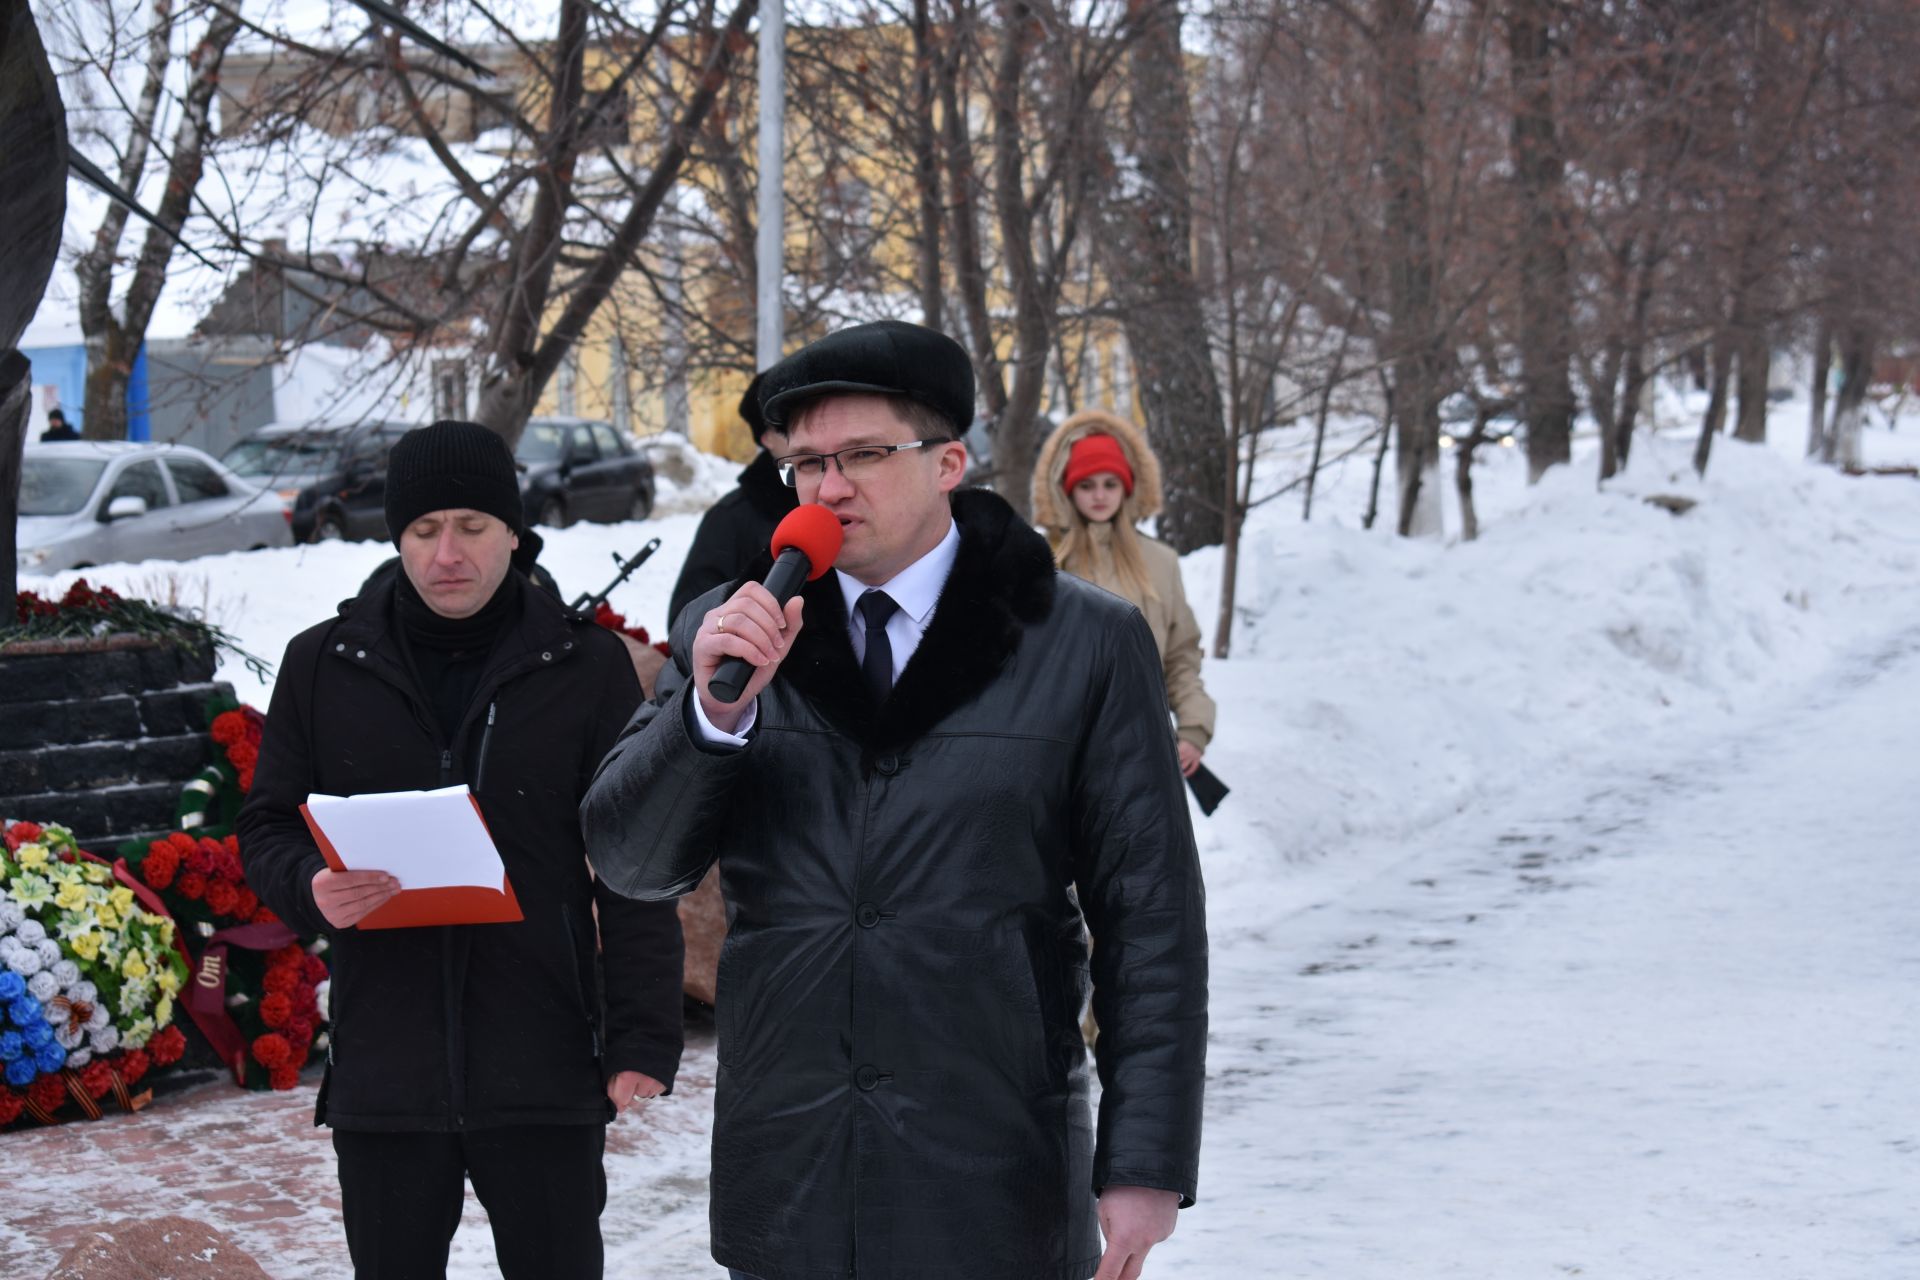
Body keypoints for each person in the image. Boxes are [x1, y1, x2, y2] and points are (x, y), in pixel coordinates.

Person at [581, 320, 1208, 1280]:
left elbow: (1151, 920)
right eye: (805, 464)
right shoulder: (736, 633)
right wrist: (707, 722)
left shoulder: (1085, 644)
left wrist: (1144, 1163)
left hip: (994, 1175)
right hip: (792, 1179)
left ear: (949, 461)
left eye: (865, 455)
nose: (830, 488)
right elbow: (630, 860)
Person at [237, 420, 685, 1280]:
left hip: (543, 1058)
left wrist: (641, 1036)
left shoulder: (583, 668)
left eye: (473, 527)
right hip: (386, 1066)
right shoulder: (324, 666)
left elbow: (634, 861)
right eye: (423, 529)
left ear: (513, 533)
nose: (448, 552)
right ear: (397, 537)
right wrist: (309, 885)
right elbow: (267, 824)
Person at [1031, 410, 1216, 779]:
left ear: (1128, 487)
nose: (1099, 496)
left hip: (1143, 749)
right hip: (1060, 754)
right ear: (1067, 490)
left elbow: (1180, 655)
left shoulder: (1160, 563)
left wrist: (1194, 728)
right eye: (1086, 486)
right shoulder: (1041, 562)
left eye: (1110, 484)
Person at [667, 372, 798, 628]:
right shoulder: (732, 517)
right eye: (787, 425)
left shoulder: (840, 497)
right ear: (766, 438)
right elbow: (687, 622)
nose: (803, 433)